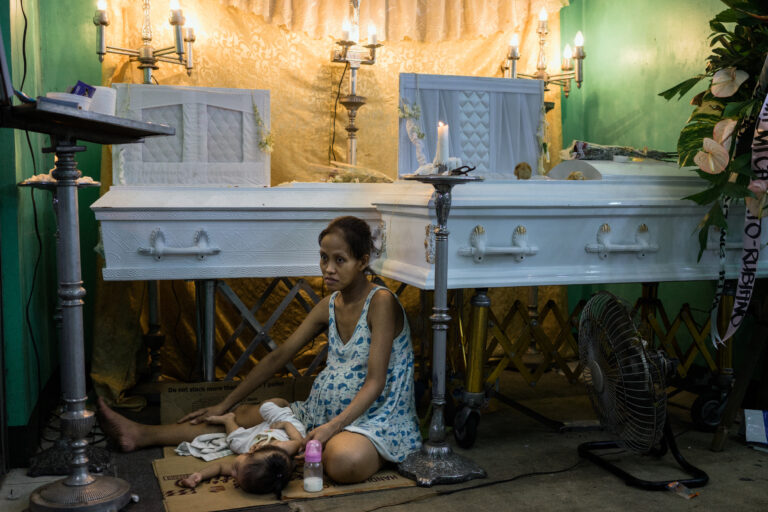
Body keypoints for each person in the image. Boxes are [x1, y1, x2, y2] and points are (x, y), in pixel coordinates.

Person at [98, 216, 421, 484]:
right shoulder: (330, 304)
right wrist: (224, 404)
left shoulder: (380, 302)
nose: (328, 269)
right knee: (241, 415)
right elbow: (280, 356)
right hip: (320, 414)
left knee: (343, 462)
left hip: (374, 419)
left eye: (340, 260)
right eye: (323, 257)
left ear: (363, 261)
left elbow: (376, 382)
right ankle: (141, 434)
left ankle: (295, 451)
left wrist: (331, 428)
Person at [174, 401, 305, 496]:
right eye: (236, 470)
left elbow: (219, 468)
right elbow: (299, 441)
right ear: (251, 452)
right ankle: (284, 404)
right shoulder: (283, 447)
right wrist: (284, 423)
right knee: (265, 407)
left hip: (260, 435)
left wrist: (199, 475)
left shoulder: (249, 464)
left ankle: (228, 420)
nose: (232, 474)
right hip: (286, 428)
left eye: (235, 477)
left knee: (235, 444)